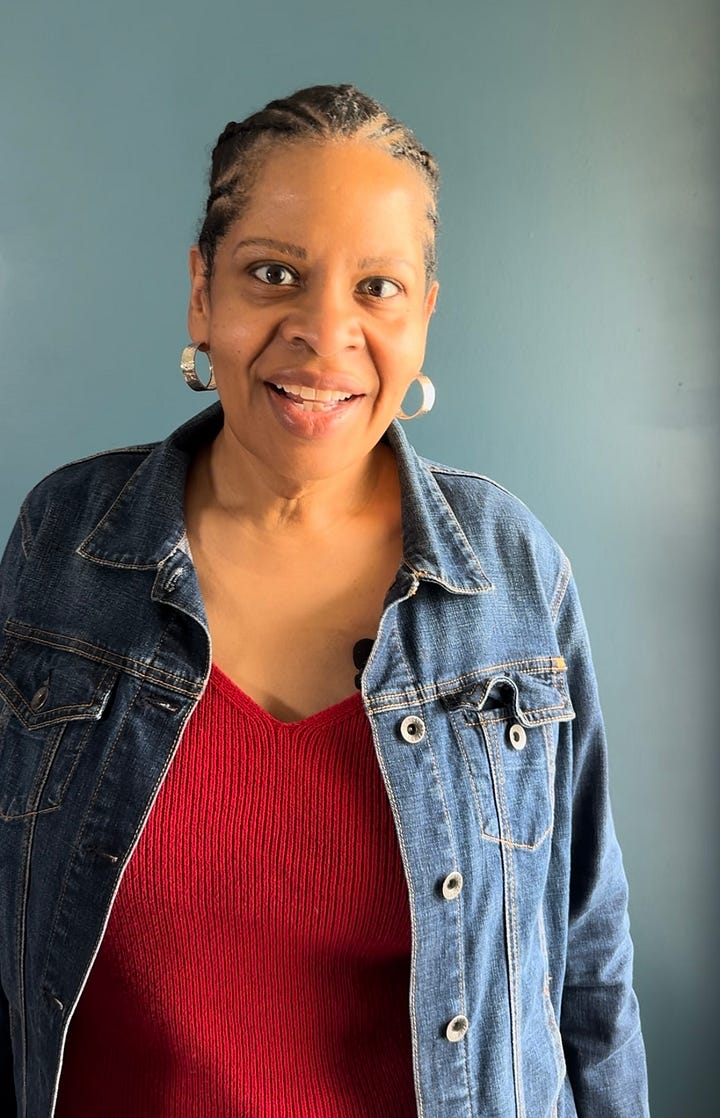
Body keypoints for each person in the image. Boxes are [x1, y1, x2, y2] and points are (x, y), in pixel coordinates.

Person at [0, 85, 649, 1117]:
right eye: (273, 273)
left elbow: (589, 962)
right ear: (201, 291)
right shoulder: (62, 544)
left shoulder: (514, 574)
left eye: (377, 287)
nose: (323, 331)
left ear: (425, 313)